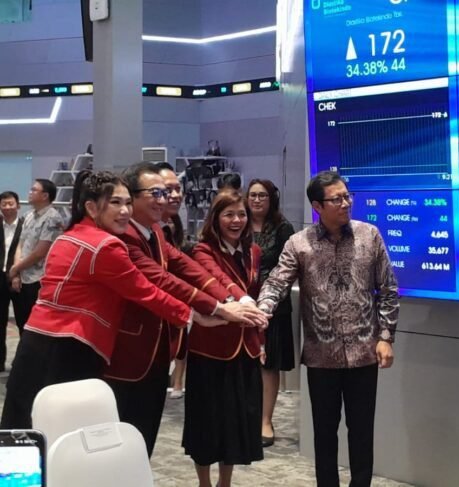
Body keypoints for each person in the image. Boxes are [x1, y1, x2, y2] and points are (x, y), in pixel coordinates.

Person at [0, 171, 224, 429]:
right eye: (115, 203)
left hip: (35, 343)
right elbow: (145, 291)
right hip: (70, 347)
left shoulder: (71, 234)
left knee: (22, 428)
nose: (125, 211)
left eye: (127, 202)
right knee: (62, 433)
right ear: (92, 207)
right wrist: (194, 315)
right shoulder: (105, 245)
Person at [104, 162, 269, 457]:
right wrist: (219, 308)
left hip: (158, 347)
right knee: (121, 436)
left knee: (143, 436)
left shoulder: (155, 230)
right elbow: (162, 279)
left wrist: (237, 299)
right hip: (128, 352)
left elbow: (187, 267)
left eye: (168, 191)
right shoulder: (124, 236)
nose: (166, 199)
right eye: (156, 193)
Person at [257, 171, 399, 487]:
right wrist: (261, 310)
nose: (346, 203)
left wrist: (385, 336)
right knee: (324, 432)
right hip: (321, 356)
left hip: (364, 353)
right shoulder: (299, 244)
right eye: (337, 199)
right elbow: (277, 282)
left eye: (347, 196)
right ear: (317, 206)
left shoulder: (369, 235)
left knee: (361, 431)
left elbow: (388, 289)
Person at [184, 191, 266, 487]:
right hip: (210, 348)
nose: (236, 220)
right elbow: (219, 280)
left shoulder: (253, 251)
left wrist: (261, 341)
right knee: (206, 423)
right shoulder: (202, 251)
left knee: (235, 425)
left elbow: (256, 294)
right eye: (228, 214)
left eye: (241, 214)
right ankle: (204, 482)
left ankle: (225, 482)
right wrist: (242, 300)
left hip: (245, 347)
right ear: (215, 218)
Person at [246, 179, 295, 447]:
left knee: (269, 364)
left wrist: (268, 299)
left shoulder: (283, 227)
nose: (256, 200)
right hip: (241, 302)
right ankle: (245, 417)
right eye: (252, 195)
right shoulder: (238, 223)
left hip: (274, 306)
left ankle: (265, 420)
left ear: (271, 198)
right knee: (243, 363)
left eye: (262, 195)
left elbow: (288, 268)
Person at [9, 179, 63, 333]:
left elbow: (40, 252)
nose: (30, 192)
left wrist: (16, 268)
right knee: (22, 323)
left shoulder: (53, 218)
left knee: (36, 327)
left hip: (38, 280)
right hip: (22, 277)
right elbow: (20, 244)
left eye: (34, 190)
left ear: (45, 195)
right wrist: (16, 273)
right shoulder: (28, 215)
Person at [156, 162, 188, 400]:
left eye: (178, 189)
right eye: (168, 190)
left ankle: (176, 382)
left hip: (171, 310)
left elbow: (187, 267)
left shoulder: (167, 229)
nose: (175, 195)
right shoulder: (135, 233)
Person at [0, 191, 23, 371]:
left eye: (10, 203)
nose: (7, 207)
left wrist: (17, 273)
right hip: (0, 278)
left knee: (23, 321)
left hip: (19, 278)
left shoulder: (25, 226)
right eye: (4, 204)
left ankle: (22, 364)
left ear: (18, 205)